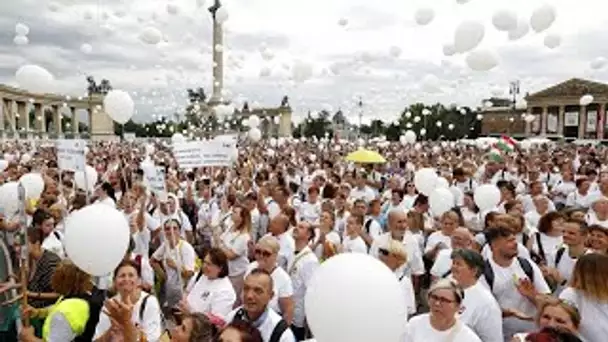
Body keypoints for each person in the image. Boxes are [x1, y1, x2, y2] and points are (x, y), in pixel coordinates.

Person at [19, 260, 105, 342]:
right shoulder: (84, 294)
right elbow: (57, 307)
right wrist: (39, 312)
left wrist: (29, 338)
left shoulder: (65, 312)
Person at [93, 260, 162, 342]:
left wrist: (125, 321)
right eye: (122, 276)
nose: (126, 279)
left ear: (139, 281)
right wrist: (111, 330)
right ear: (115, 282)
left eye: (131, 275)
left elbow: (152, 339)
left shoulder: (149, 302)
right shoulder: (110, 305)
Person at [225, 269, 296, 342]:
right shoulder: (232, 318)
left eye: (258, 290)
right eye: (246, 288)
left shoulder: (281, 334)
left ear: (270, 296)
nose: (249, 296)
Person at [405, 279, 482, 342]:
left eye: (444, 300)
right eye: (434, 297)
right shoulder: (415, 325)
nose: (437, 303)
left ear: (457, 306)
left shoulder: (468, 338)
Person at [245, 236, 294, 324]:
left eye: (266, 253)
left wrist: (280, 332)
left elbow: (288, 310)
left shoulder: (283, 278)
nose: (261, 256)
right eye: (258, 252)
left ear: (275, 255)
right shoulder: (250, 267)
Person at [179, 247, 236, 320]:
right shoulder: (202, 275)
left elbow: (216, 322)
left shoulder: (225, 291)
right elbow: (187, 291)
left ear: (220, 268)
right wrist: (183, 303)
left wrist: (190, 312)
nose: (204, 266)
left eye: (209, 264)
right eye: (204, 262)